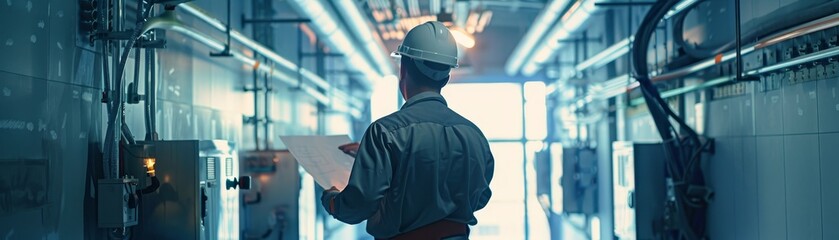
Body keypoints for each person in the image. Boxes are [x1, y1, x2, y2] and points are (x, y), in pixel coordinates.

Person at [320, 21, 495, 240]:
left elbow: (358, 205)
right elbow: (480, 197)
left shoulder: (384, 133)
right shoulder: (474, 136)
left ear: (403, 69)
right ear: (446, 78)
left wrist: (332, 200)